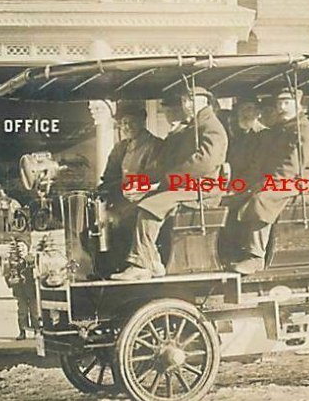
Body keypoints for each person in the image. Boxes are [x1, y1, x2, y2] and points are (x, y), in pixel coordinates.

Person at [114, 86, 228, 280]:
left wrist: (165, 182)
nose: (187, 105)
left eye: (192, 100)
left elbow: (203, 163)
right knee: (130, 209)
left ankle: (142, 264)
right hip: (185, 187)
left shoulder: (211, 128)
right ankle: (152, 261)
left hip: (202, 189)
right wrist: (142, 182)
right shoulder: (192, 128)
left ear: (206, 102)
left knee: (150, 206)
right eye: (184, 101)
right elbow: (168, 163)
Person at [231, 88, 309, 274]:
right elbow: (262, 161)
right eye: (279, 103)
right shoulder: (279, 130)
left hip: (302, 182)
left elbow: (291, 166)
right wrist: (248, 183)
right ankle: (235, 251)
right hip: (282, 180)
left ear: (298, 104)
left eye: (287, 102)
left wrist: (265, 184)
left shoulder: (303, 130)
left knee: (262, 199)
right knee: (237, 196)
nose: (282, 107)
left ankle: (256, 257)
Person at [97, 102, 163, 273]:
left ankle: (138, 264)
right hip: (122, 198)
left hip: (144, 198)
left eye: (132, 122)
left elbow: (152, 178)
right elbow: (109, 177)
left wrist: (122, 191)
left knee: (121, 220)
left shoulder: (155, 146)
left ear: (143, 121)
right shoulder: (120, 148)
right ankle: (105, 267)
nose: (127, 127)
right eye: (124, 123)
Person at [2, 237, 39, 339]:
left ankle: (37, 331)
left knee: (34, 311)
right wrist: (10, 282)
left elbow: (38, 271)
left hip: (31, 289)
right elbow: (6, 274)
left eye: (23, 247)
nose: (21, 250)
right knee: (22, 312)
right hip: (19, 289)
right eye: (19, 247)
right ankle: (22, 332)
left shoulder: (32, 259)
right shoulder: (13, 261)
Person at [227, 96, 268, 183]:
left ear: (258, 113)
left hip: (252, 184)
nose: (244, 112)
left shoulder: (264, 135)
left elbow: (257, 167)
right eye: (241, 108)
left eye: (249, 108)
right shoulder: (237, 135)